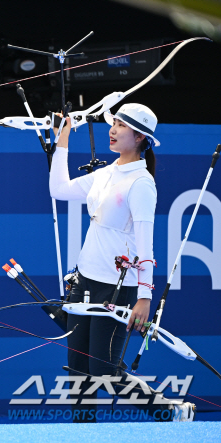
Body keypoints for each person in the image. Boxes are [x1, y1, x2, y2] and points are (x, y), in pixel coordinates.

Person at [49, 103, 194, 422]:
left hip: (119, 290)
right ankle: (82, 431)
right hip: (85, 282)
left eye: (122, 126)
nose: (113, 130)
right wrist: (63, 140)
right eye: (113, 123)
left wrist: (144, 297)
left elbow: (146, 242)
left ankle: (169, 410)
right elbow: (58, 190)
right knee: (78, 366)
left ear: (141, 137)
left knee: (104, 370)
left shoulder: (141, 183)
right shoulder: (106, 174)